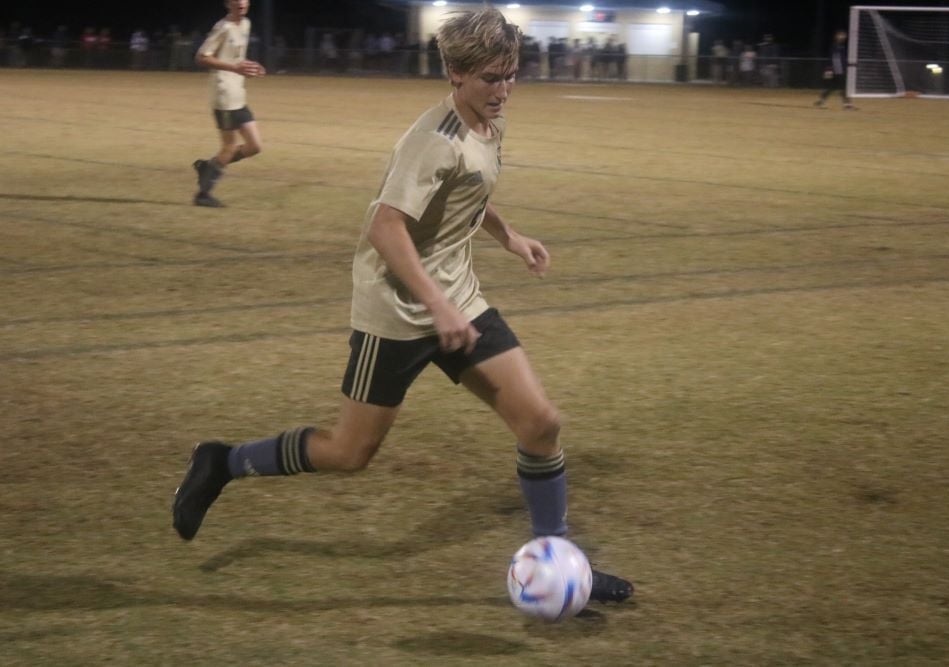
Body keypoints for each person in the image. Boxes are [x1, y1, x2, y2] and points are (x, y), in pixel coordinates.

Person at [173, 6, 634, 605]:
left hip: (457, 299)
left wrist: (509, 236)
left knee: (541, 423)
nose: (503, 90)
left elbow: (467, 191)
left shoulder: (489, 123)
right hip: (395, 314)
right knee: (349, 453)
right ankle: (224, 462)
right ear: (455, 74)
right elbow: (387, 229)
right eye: (490, 78)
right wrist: (437, 307)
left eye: (510, 74)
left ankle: (560, 558)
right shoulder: (431, 141)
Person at [191, 0, 266, 208]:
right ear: (227, 4)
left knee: (254, 146)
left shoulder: (245, 24)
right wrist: (235, 68)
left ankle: (209, 166)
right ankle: (203, 194)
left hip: (238, 94)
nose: (240, 2)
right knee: (229, 146)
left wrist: (250, 66)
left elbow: (237, 57)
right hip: (224, 96)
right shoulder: (222, 27)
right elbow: (201, 57)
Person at [814, 30, 856, 110]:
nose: (843, 37)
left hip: (840, 71)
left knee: (835, 87)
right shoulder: (835, 46)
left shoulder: (842, 47)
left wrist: (849, 65)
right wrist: (830, 70)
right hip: (836, 71)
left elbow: (843, 60)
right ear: (836, 37)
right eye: (841, 36)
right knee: (838, 88)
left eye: (843, 36)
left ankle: (821, 101)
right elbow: (834, 59)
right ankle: (847, 105)